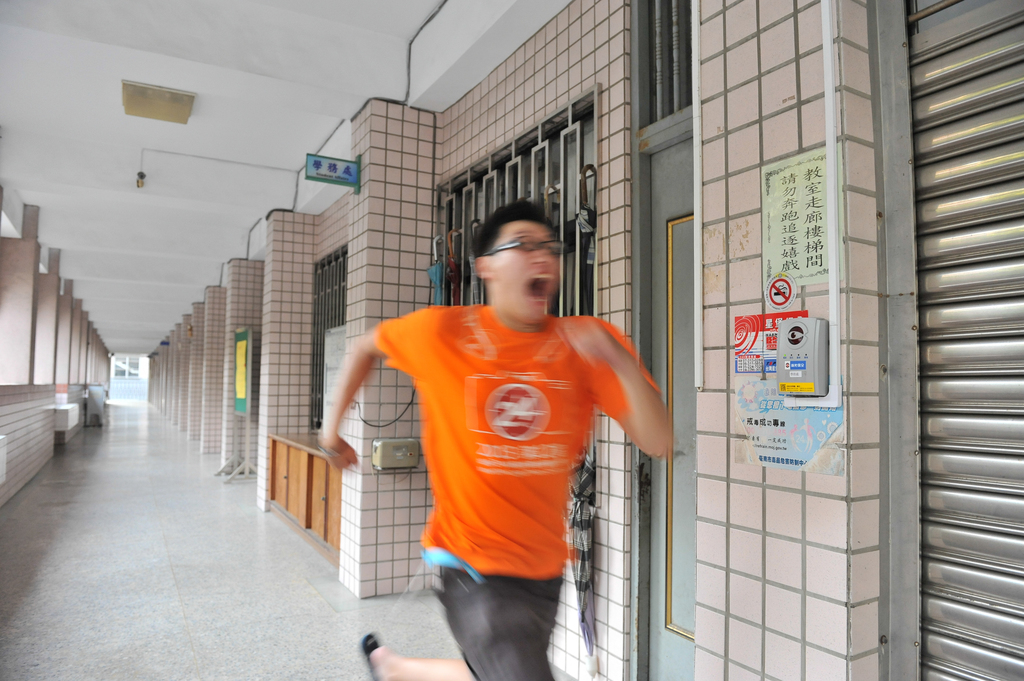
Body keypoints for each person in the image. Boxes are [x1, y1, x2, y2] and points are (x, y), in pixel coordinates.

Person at [319, 200, 671, 681]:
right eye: (523, 245)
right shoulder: (443, 332)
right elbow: (365, 346)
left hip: (544, 568)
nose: (542, 256)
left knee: (499, 668)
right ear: (485, 266)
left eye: (550, 248)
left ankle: (398, 670)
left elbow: (658, 440)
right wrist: (330, 432)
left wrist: (618, 356)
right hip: (472, 566)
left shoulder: (585, 345)